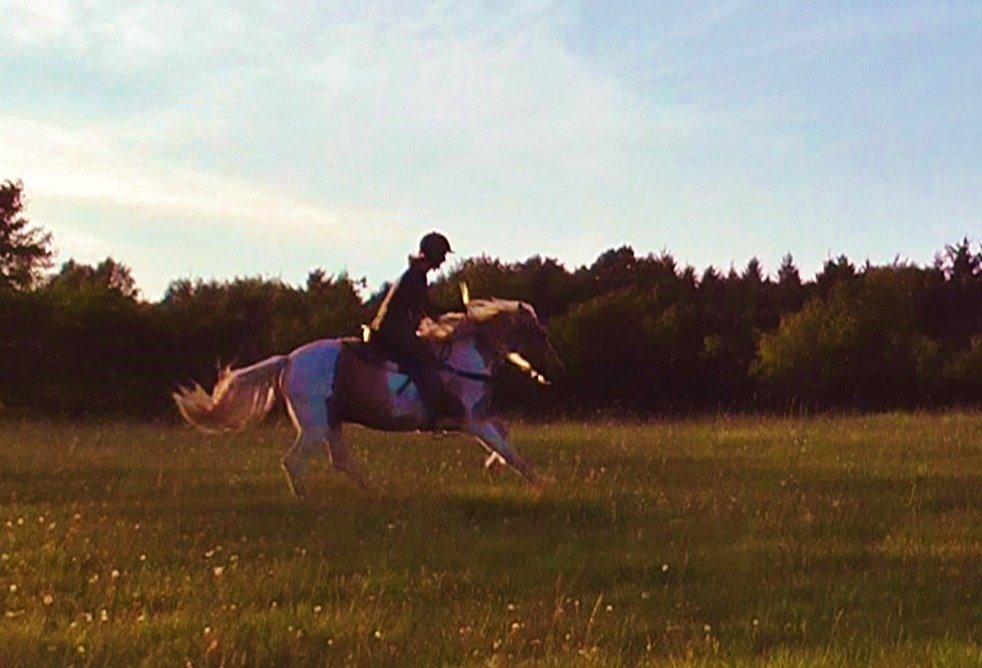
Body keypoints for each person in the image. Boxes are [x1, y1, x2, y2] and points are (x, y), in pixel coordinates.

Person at [370, 232, 463, 429]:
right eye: (443, 256)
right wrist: (458, 311)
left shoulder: (415, 273)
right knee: (427, 359)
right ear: (434, 254)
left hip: (391, 328)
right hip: (392, 330)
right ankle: (432, 414)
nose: (444, 261)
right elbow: (428, 310)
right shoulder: (416, 276)